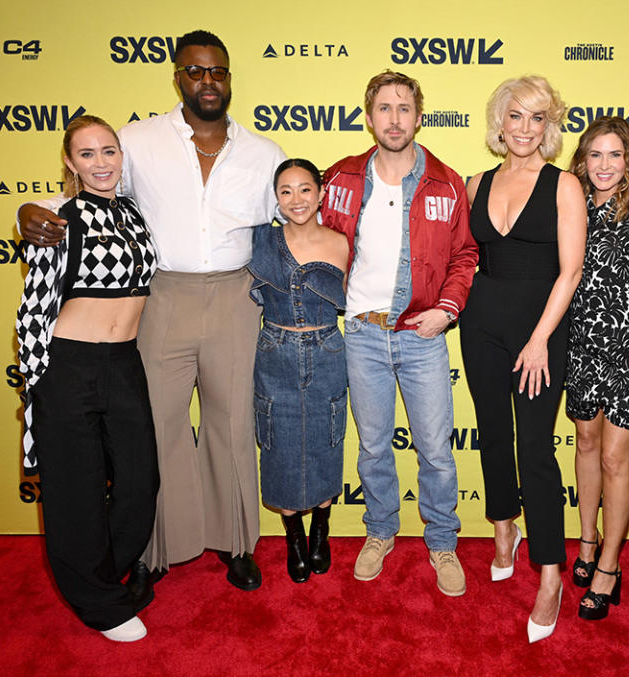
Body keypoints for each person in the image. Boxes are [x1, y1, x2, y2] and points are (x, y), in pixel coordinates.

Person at [18, 30, 286, 595]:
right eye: (194, 71)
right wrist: (29, 211)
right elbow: (89, 191)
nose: (207, 81)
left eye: (217, 71)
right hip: (161, 298)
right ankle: (155, 549)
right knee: (156, 429)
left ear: (230, 77)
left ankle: (235, 544)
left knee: (232, 425)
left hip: (237, 297)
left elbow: (291, 222)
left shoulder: (265, 153)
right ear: (177, 78)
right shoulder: (137, 139)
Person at [320, 70, 477, 597]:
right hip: (362, 334)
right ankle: (380, 531)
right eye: (384, 108)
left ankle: (442, 541)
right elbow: (310, 236)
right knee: (372, 447)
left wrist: (448, 309)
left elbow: (465, 254)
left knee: (435, 449)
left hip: (422, 334)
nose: (394, 118)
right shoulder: (339, 178)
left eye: (403, 108)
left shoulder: (446, 182)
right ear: (369, 117)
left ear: (418, 115)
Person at [16, 115, 159, 642]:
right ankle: (99, 605)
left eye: (109, 151)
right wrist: (35, 384)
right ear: (71, 164)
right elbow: (33, 307)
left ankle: (105, 577)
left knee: (140, 481)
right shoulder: (58, 219)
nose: (101, 163)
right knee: (74, 491)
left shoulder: (136, 213)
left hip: (124, 363)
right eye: (87, 154)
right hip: (68, 365)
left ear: (122, 156)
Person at [460, 76, 586, 642]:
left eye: (538, 119)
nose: (525, 129)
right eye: (516, 116)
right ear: (500, 121)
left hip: (542, 331)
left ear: (549, 127)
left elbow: (572, 270)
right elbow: (468, 259)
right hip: (481, 323)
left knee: (536, 449)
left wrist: (539, 340)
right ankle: (504, 526)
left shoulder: (564, 186)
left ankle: (551, 573)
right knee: (492, 433)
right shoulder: (475, 183)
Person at [564, 116, 629, 621]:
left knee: (615, 461)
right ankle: (586, 540)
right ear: (583, 160)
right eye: (595, 155)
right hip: (581, 347)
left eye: (615, 155)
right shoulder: (571, 207)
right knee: (585, 444)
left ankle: (609, 566)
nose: (604, 165)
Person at [247, 159, 349, 583]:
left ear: (321, 193)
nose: (296, 199)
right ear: (276, 198)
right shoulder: (260, 242)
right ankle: (294, 538)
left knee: (328, 435)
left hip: (327, 349)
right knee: (278, 441)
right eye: (286, 191)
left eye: (305, 189)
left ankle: (321, 531)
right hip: (275, 350)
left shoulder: (342, 242)